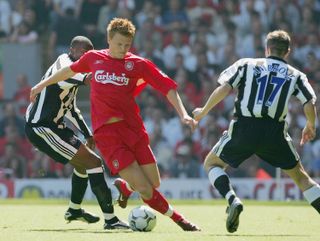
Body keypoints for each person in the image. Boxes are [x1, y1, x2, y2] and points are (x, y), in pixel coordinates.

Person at [29, 18, 200, 232]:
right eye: (119, 44)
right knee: (146, 190)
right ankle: (180, 220)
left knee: (154, 182)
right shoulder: (93, 58)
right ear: (109, 39)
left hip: (134, 129)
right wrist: (41, 85)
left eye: (127, 45)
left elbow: (167, 87)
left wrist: (183, 114)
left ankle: (125, 187)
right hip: (108, 136)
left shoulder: (138, 64)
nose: (123, 49)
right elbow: (69, 71)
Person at [192, 30, 320, 233]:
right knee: (302, 178)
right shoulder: (296, 75)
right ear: (287, 52)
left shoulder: (246, 64)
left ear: (267, 48)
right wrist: (310, 125)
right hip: (274, 131)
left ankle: (232, 199)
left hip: (245, 126)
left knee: (212, 163)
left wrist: (203, 111)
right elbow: (309, 101)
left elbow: (225, 88)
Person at [25, 36, 129, 230]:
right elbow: (69, 75)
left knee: (83, 164)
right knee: (94, 162)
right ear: (71, 49)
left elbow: (71, 109)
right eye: (82, 52)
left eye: (88, 53)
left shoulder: (71, 72)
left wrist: (88, 135)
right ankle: (111, 220)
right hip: (41, 127)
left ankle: (74, 210)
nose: (84, 56)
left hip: (53, 126)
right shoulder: (65, 63)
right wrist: (95, 76)